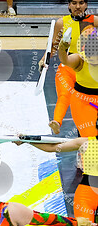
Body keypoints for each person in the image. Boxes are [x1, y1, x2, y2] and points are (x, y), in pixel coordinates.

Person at [37, 0, 96, 135]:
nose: (77, 6)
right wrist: (44, 59)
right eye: (74, 3)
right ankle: (56, 122)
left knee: (89, 100)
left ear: (86, 5)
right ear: (69, 5)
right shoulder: (61, 23)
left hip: (86, 67)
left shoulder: (94, 20)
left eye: (81, 3)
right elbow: (53, 46)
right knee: (64, 95)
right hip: (68, 65)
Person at [57, 22, 98, 138]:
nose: (92, 61)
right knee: (90, 138)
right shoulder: (80, 59)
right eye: (90, 58)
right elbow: (65, 60)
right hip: (84, 101)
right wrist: (62, 48)